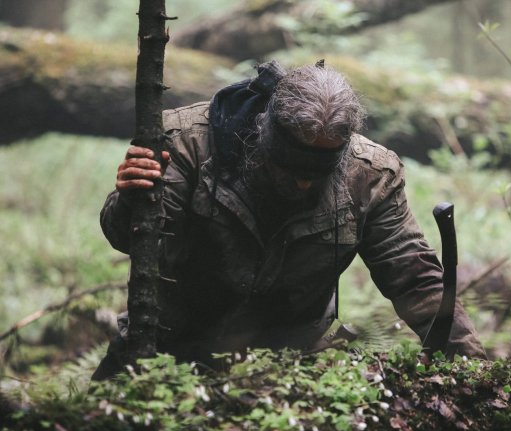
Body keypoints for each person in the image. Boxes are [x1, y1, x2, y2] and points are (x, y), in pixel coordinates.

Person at [92, 61, 484, 380]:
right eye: (292, 165)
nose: (303, 182)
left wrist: (472, 371)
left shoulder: (370, 177)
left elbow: (415, 278)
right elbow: (126, 237)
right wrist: (132, 198)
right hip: (168, 345)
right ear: (264, 131)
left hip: (292, 359)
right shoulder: (185, 143)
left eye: (318, 170)